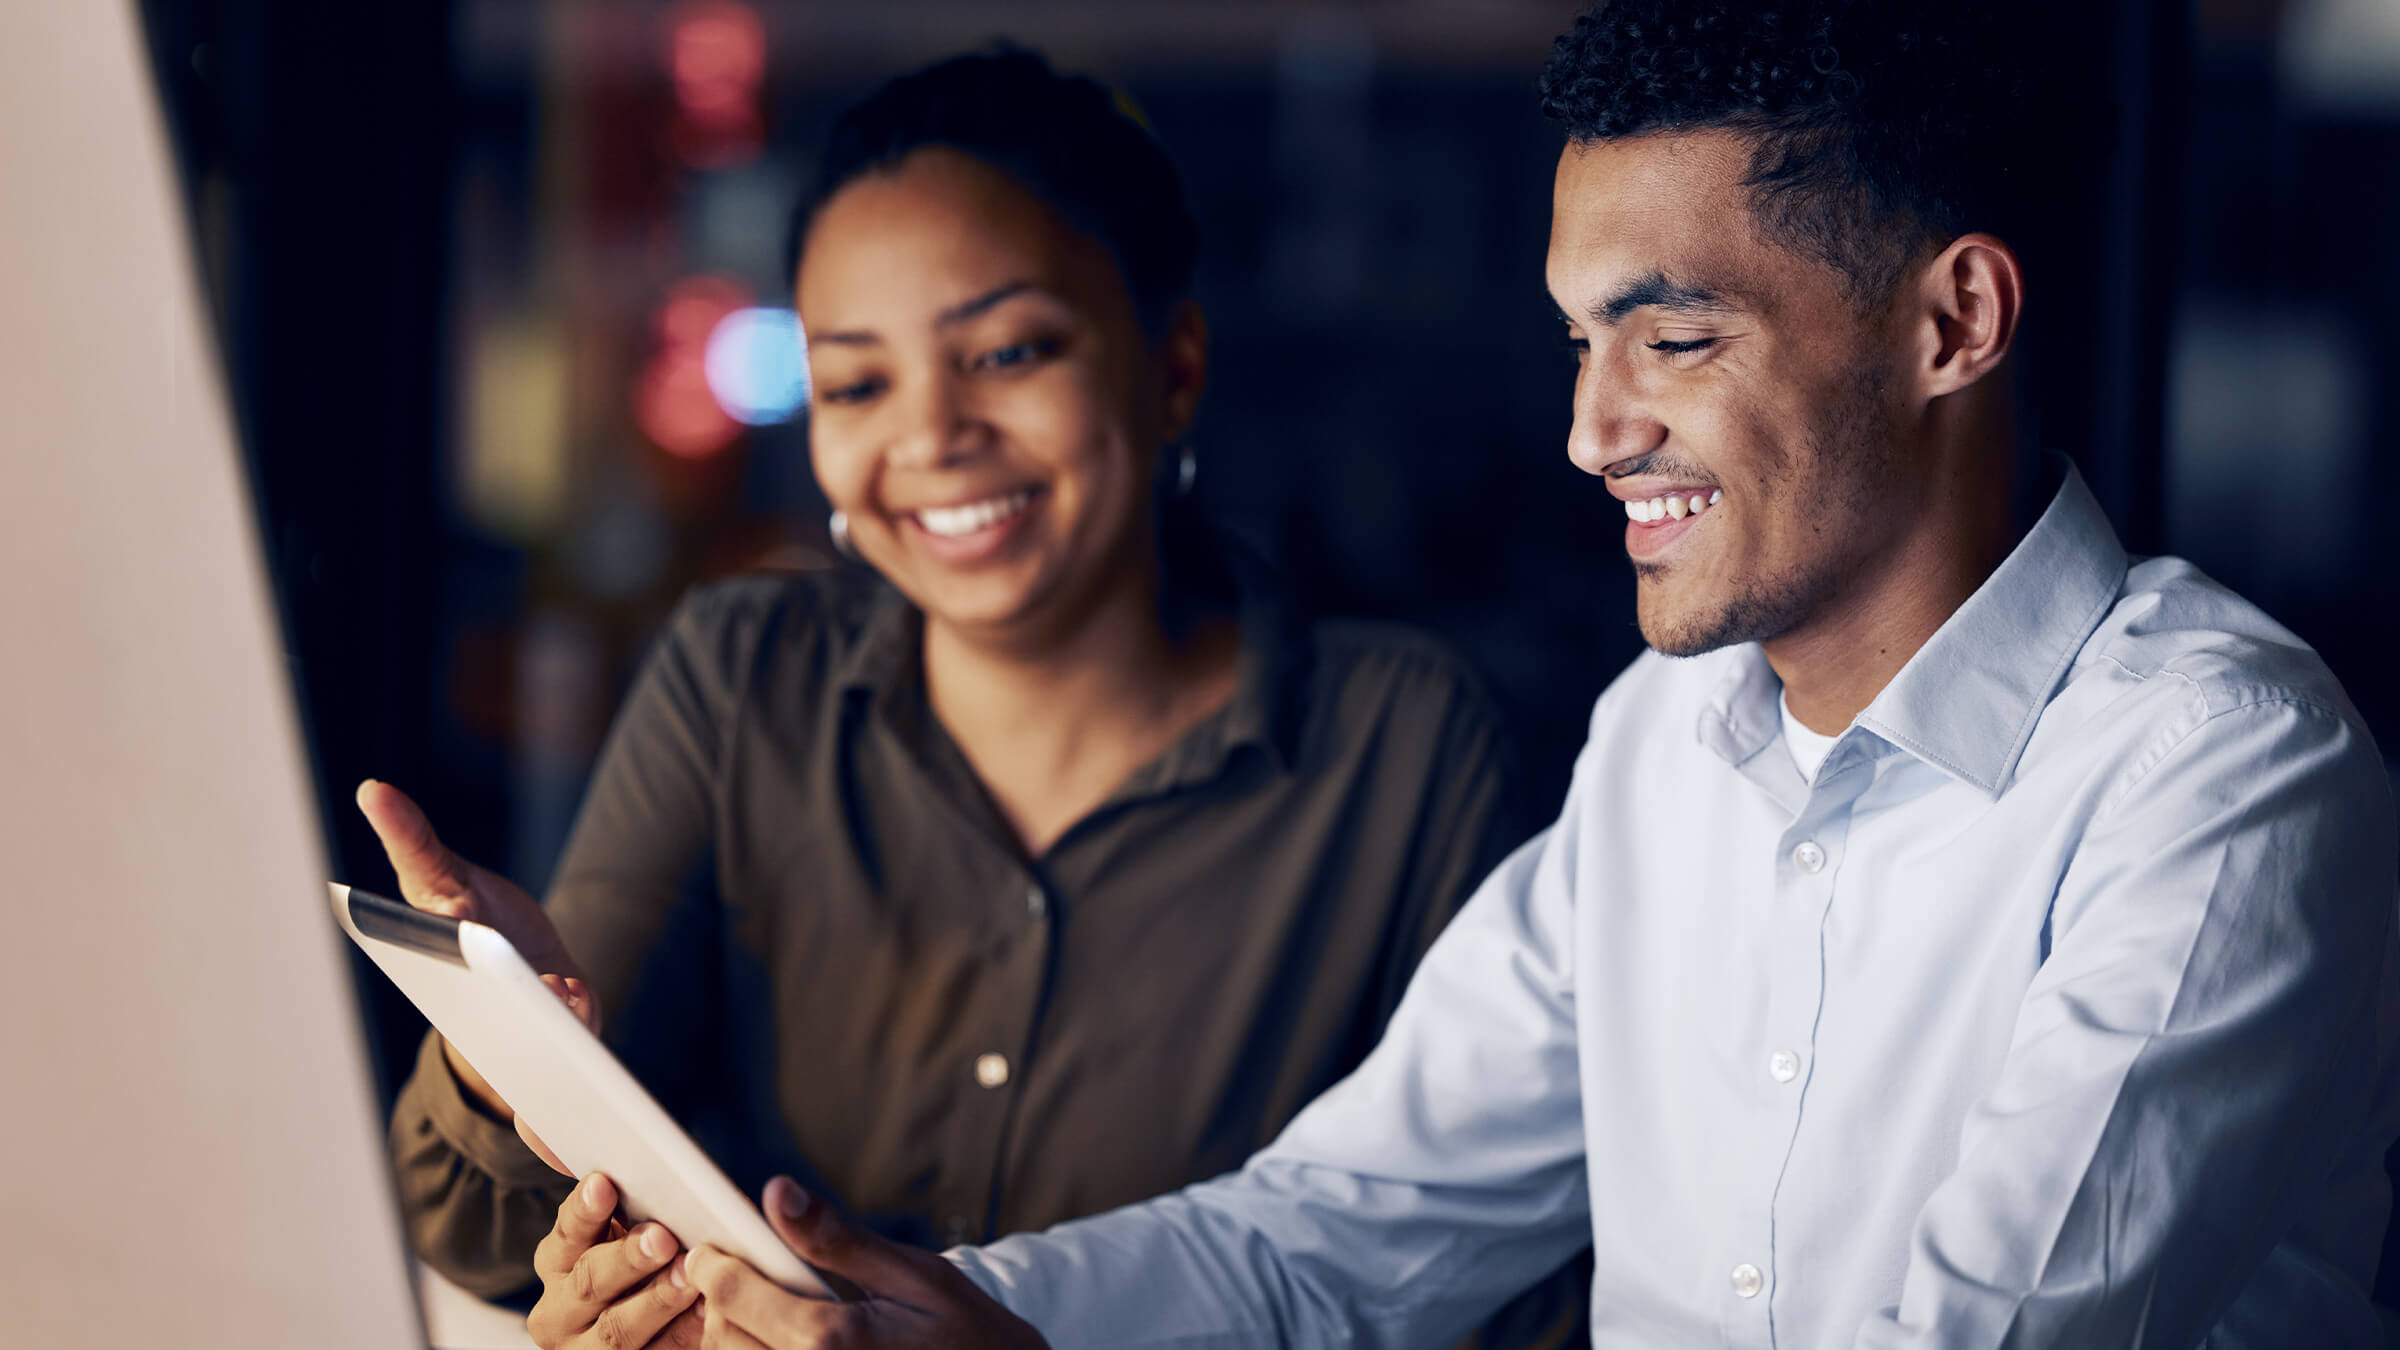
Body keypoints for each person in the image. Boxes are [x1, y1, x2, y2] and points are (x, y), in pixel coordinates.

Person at [646, 3, 2400, 1347]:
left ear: (1953, 324)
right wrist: (924, 1304)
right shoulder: (1665, 743)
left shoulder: (2223, 775)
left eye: (1676, 336)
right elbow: (1337, 1227)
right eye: (1582, 341)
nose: (1591, 430)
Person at [358, 44, 1590, 1350]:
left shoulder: (1403, 746)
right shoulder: (742, 674)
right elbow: (471, 1232)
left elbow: (1483, 1289)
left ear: (1171, 366)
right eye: (857, 382)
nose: (932, 435)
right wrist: (509, 1057)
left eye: (1007, 353)